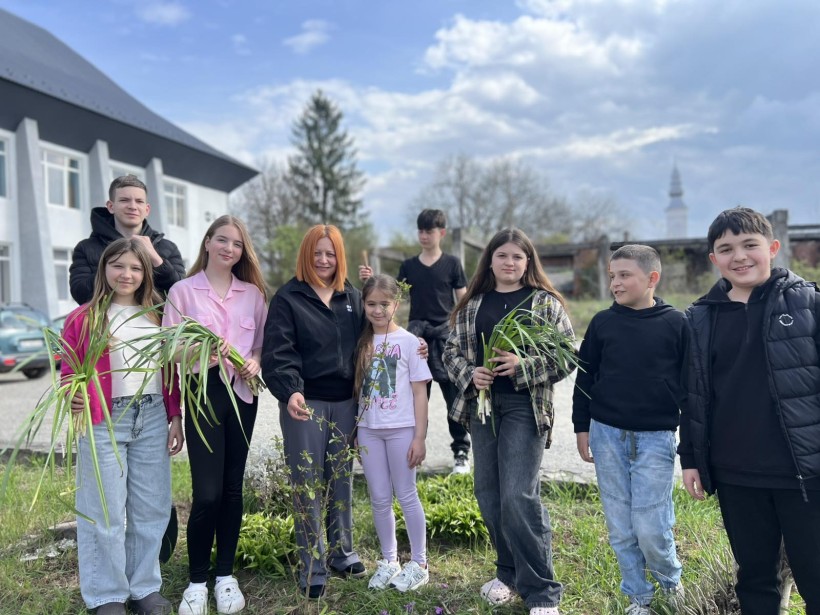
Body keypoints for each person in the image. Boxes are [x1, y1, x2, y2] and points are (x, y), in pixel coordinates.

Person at [679, 206, 820, 615]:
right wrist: (690, 459)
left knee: (815, 574)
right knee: (755, 579)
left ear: (772, 248)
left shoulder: (809, 303)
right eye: (726, 249)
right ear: (714, 258)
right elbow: (691, 395)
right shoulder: (699, 318)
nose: (739, 256)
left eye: (749, 245)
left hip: (803, 472)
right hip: (736, 472)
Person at [443, 228, 575, 615]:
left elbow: (568, 354)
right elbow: (450, 352)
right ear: (490, 261)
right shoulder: (473, 304)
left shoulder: (544, 302)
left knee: (518, 495)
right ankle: (508, 573)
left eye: (518, 256)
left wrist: (524, 365)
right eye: (502, 255)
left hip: (524, 406)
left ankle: (543, 591)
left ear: (528, 262)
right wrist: (471, 374)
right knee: (489, 494)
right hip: (482, 407)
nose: (510, 262)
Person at [62, 238, 184, 615]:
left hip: (151, 415)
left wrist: (175, 415)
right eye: (118, 265)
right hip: (104, 418)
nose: (126, 274)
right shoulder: (83, 317)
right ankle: (107, 594)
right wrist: (73, 393)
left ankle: (144, 586)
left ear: (145, 273)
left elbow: (170, 370)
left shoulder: (159, 314)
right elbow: (68, 369)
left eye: (135, 267)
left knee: (151, 507)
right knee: (105, 510)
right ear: (104, 269)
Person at [162, 215, 268, 615]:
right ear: (207, 242)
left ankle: (225, 576)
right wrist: (204, 351)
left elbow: (259, 345)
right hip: (202, 394)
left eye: (237, 244)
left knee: (232, 489)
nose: (229, 249)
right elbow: (169, 351)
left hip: (242, 395)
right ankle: (196, 581)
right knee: (207, 493)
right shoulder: (183, 292)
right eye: (222, 240)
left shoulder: (253, 295)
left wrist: (255, 361)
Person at [572, 245, 685, 614]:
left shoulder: (676, 324)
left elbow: (691, 385)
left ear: (652, 278)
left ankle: (671, 584)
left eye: (624, 275)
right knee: (621, 527)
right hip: (606, 435)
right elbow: (585, 377)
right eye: (612, 276)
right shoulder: (602, 323)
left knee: (651, 525)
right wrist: (581, 426)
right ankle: (638, 597)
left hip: (655, 438)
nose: (615, 283)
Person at [262, 224, 368, 599]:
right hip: (305, 403)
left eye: (330, 253)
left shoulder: (352, 297)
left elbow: (372, 341)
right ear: (306, 255)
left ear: (340, 257)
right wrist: (291, 390)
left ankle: (342, 553)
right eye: (317, 253)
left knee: (341, 480)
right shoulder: (288, 298)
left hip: (346, 402)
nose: (323, 260)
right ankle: (312, 565)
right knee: (306, 482)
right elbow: (278, 353)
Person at [359, 209, 470, 474]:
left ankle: (461, 452)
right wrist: (369, 280)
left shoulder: (453, 264)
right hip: (417, 336)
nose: (423, 236)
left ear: (441, 233)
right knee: (414, 398)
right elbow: (389, 296)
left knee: (454, 397)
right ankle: (413, 450)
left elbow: (463, 302)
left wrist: (462, 338)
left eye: (429, 231)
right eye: (420, 231)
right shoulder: (408, 266)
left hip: (445, 337)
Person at [354, 274, 432, 593]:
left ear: (396, 304)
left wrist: (419, 437)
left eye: (384, 304)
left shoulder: (411, 343)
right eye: (371, 304)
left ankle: (420, 564)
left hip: (402, 430)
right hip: (368, 431)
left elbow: (420, 393)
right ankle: (389, 561)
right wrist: (357, 432)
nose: (378, 310)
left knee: (407, 494)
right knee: (379, 497)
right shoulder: (360, 342)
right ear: (363, 304)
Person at [70, 174, 186, 304]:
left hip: (153, 317)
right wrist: (111, 268)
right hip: (105, 317)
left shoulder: (168, 248)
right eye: (124, 200)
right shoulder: (86, 247)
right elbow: (79, 293)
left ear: (147, 209)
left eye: (139, 201)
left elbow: (183, 294)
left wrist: (156, 261)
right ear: (110, 206)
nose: (132, 206)